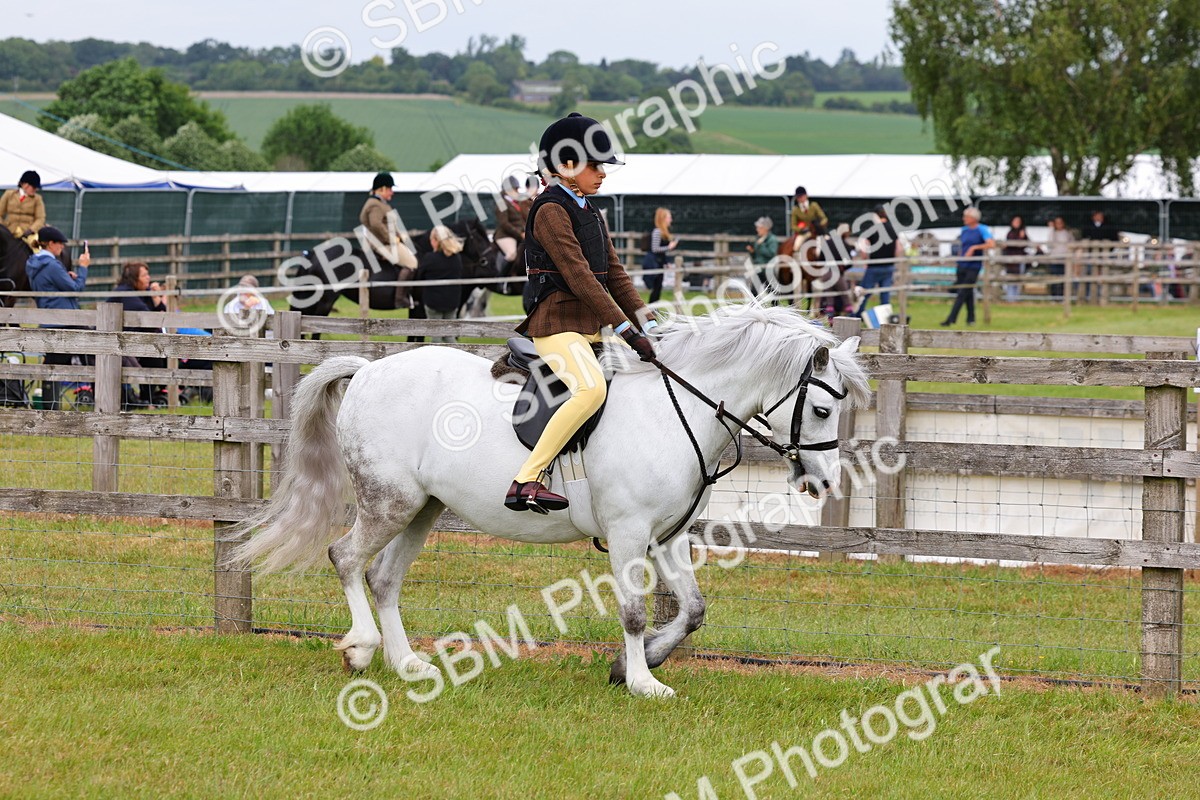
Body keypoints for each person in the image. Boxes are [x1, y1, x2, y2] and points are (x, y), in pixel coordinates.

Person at [508, 112, 657, 513]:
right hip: (556, 326)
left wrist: (649, 320)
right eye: (595, 165)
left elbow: (614, 273)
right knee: (591, 389)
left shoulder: (589, 209)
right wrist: (627, 330)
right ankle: (527, 479)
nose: (603, 173)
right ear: (565, 166)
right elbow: (580, 277)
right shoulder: (550, 210)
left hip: (590, 328)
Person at [25, 226, 90, 410]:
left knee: (53, 364)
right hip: (65, 320)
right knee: (95, 351)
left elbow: (52, 286)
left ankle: (50, 406)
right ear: (50, 244)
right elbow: (75, 289)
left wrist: (66, 277)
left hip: (48, 318)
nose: (62, 247)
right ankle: (99, 395)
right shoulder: (52, 264)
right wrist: (83, 269)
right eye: (60, 243)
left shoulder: (32, 263)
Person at [108, 261, 169, 408]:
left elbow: (161, 312)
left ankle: (150, 396)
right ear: (134, 278)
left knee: (156, 350)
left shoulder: (141, 291)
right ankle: (145, 399)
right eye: (144, 275)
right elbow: (149, 317)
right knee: (154, 352)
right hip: (115, 344)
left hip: (132, 341)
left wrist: (155, 297)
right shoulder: (125, 292)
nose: (148, 278)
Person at [359, 171, 417, 310]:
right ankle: (400, 298)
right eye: (390, 189)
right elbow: (376, 224)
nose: (392, 192)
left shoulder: (379, 203)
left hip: (384, 242)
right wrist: (392, 240)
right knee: (412, 263)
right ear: (382, 188)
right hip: (382, 244)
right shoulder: (375, 205)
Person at [941, 207, 994, 327]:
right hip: (962, 264)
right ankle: (971, 319)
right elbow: (962, 245)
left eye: (966, 217)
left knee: (962, 291)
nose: (964, 219)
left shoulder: (982, 229)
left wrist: (974, 248)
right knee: (968, 292)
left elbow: (991, 244)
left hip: (974, 265)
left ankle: (951, 319)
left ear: (973, 218)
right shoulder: (964, 230)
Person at [416, 225, 464, 343]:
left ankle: (436, 360)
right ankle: (457, 359)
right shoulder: (457, 258)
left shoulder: (429, 258)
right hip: (452, 301)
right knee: (450, 337)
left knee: (436, 336)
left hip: (433, 302)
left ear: (436, 241)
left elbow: (419, 276)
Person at [854, 205, 898, 316]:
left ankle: (857, 315)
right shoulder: (892, 228)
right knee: (885, 295)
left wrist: (865, 259)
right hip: (888, 266)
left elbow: (863, 244)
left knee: (864, 293)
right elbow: (898, 248)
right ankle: (886, 318)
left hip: (874, 266)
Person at [494, 175, 536, 263]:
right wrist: (519, 233)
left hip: (520, 234)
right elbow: (504, 223)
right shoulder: (501, 203)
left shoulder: (516, 202)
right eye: (515, 189)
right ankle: (501, 275)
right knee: (511, 254)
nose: (517, 191)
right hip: (505, 235)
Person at [1079, 209, 1119, 300]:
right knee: (1088, 273)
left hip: (1104, 254)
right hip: (1090, 254)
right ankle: (1088, 295)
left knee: (1103, 274)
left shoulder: (1109, 226)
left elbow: (1114, 239)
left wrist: (1108, 250)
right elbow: (1084, 238)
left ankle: (1103, 296)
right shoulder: (1087, 226)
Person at [0, 170, 46, 248]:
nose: (35, 190)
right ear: (25, 185)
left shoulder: (37, 199)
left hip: (27, 233)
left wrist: (31, 230)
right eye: (34, 187)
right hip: (9, 230)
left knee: (36, 248)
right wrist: (3, 227)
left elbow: (40, 218)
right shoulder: (9, 194)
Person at [642, 207, 678, 304]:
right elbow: (655, 249)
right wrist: (669, 247)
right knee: (656, 289)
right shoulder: (657, 232)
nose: (671, 220)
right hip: (654, 263)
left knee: (658, 289)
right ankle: (651, 311)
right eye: (669, 217)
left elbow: (661, 252)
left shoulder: (663, 232)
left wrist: (666, 262)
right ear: (663, 219)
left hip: (659, 263)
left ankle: (654, 311)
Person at [789, 186, 828, 251]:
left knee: (829, 241)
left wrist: (820, 225)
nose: (800, 199)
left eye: (802, 196)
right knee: (796, 246)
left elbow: (824, 218)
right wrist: (801, 230)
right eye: (798, 197)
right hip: (805, 232)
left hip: (817, 231)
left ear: (806, 196)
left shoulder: (814, 205)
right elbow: (793, 225)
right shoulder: (795, 210)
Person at [1002, 216, 1031, 301]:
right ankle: (1010, 298)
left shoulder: (1023, 233)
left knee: (1018, 280)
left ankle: (1016, 298)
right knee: (1011, 279)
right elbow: (1009, 245)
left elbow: (1025, 244)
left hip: (1020, 260)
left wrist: (1022, 237)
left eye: (1018, 221)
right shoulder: (1010, 233)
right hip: (1011, 261)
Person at [1043, 216, 1074, 298]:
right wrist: (1051, 229)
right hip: (1055, 258)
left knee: (1064, 278)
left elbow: (1072, 244)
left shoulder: (1067, 233)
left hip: (1065, 258)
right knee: (1054, 278)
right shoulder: (1053, 233)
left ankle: (1063, 297)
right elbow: (1049, 244)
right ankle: (1054, 297)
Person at [746, 216, 778, 293]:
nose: (757, 229)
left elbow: (771, 253)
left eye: (759, 228)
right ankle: (754, 305)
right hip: (759, 269)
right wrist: (752, 252)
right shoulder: (758, 239)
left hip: (768, 270)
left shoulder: (772, 239)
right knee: (754, 292)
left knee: (772, 293)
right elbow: (756, 257)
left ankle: (774, 305)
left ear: (765, 228)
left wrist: (761, 246)